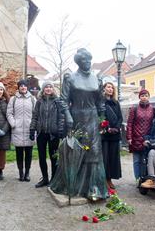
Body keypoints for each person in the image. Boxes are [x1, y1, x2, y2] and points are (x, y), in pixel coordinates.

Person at [50, 48, 108, 200]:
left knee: (94, 151)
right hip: (76, 117)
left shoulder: (97, 79)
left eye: (89, 60)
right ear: (78, 62)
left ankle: (93, 187)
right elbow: (63, 100)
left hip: (93, 118)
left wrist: (103, 119)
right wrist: (68, 116)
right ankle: (74, 185)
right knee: (77, 151)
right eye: (84, 60)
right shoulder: (71, 78)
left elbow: (100, 101)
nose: (87, 63)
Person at [30, 81, 63, 188]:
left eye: (50, 87)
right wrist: (32, 129)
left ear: (53, 89)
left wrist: (60, 130)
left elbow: (61, 117)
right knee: (42, 157)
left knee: (54, 157)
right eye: (46, 87)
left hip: (54, 134)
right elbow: (35, 116)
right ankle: (45, 178)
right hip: (41, 133)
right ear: (43, 89)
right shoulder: (39, 101)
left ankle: (53, 179)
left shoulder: (57, 101)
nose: (48, 89)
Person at [6, 79, 36, 182]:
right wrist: (13, 123)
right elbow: (9, 113)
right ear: (18, 87)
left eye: (25, 86)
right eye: (21, 86)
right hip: (17, 130)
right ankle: (21, 173)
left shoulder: (32, 99)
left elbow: (35, 114)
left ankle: (27, 173)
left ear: (27, 87)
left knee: (29, 153)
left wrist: (33, 126)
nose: (23, 87)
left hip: (29, 130)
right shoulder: (13, 99)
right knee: (19, 153)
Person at [126, 89, 155, 183]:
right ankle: (138, 179)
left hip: (147, 139)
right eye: (142, 95)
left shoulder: (153, 109)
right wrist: (129, 137)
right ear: (139, 97)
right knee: (136, 160)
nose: (144, 97)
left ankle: (143, 178)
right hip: (135, 138)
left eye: (146, 95)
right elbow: (129, 123)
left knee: (145, 160)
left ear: (148, 97)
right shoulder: (134, 109)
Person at [101, 82, 123, 190]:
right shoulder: (100, 102)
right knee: (105, 158)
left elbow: (120, 117)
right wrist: (107, 127)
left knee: (113, 158)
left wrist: (117, 128)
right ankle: (104, 178)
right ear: (104, 89)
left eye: (112, 88)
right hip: (105, 135)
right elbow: (101, 116)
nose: (110, 89)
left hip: (115, 135)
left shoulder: (116, 103)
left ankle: (110, 179)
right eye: (108, 87)